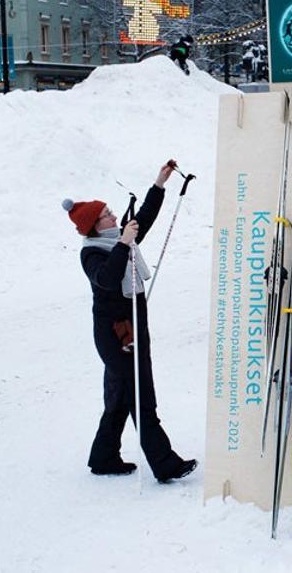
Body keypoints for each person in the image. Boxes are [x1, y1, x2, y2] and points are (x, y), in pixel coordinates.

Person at [62, 159, 196, 483]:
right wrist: (123, 243)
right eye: (107, 213)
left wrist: (159, 183)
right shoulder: (93, 252)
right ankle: (165, 464)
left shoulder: (118, 238)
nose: (113, 214)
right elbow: (107, 280)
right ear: (96, 225)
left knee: (120, 396)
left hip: (133, 327)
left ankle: (104, 456)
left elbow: (144, 219)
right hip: (116, 336)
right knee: (141, 396)